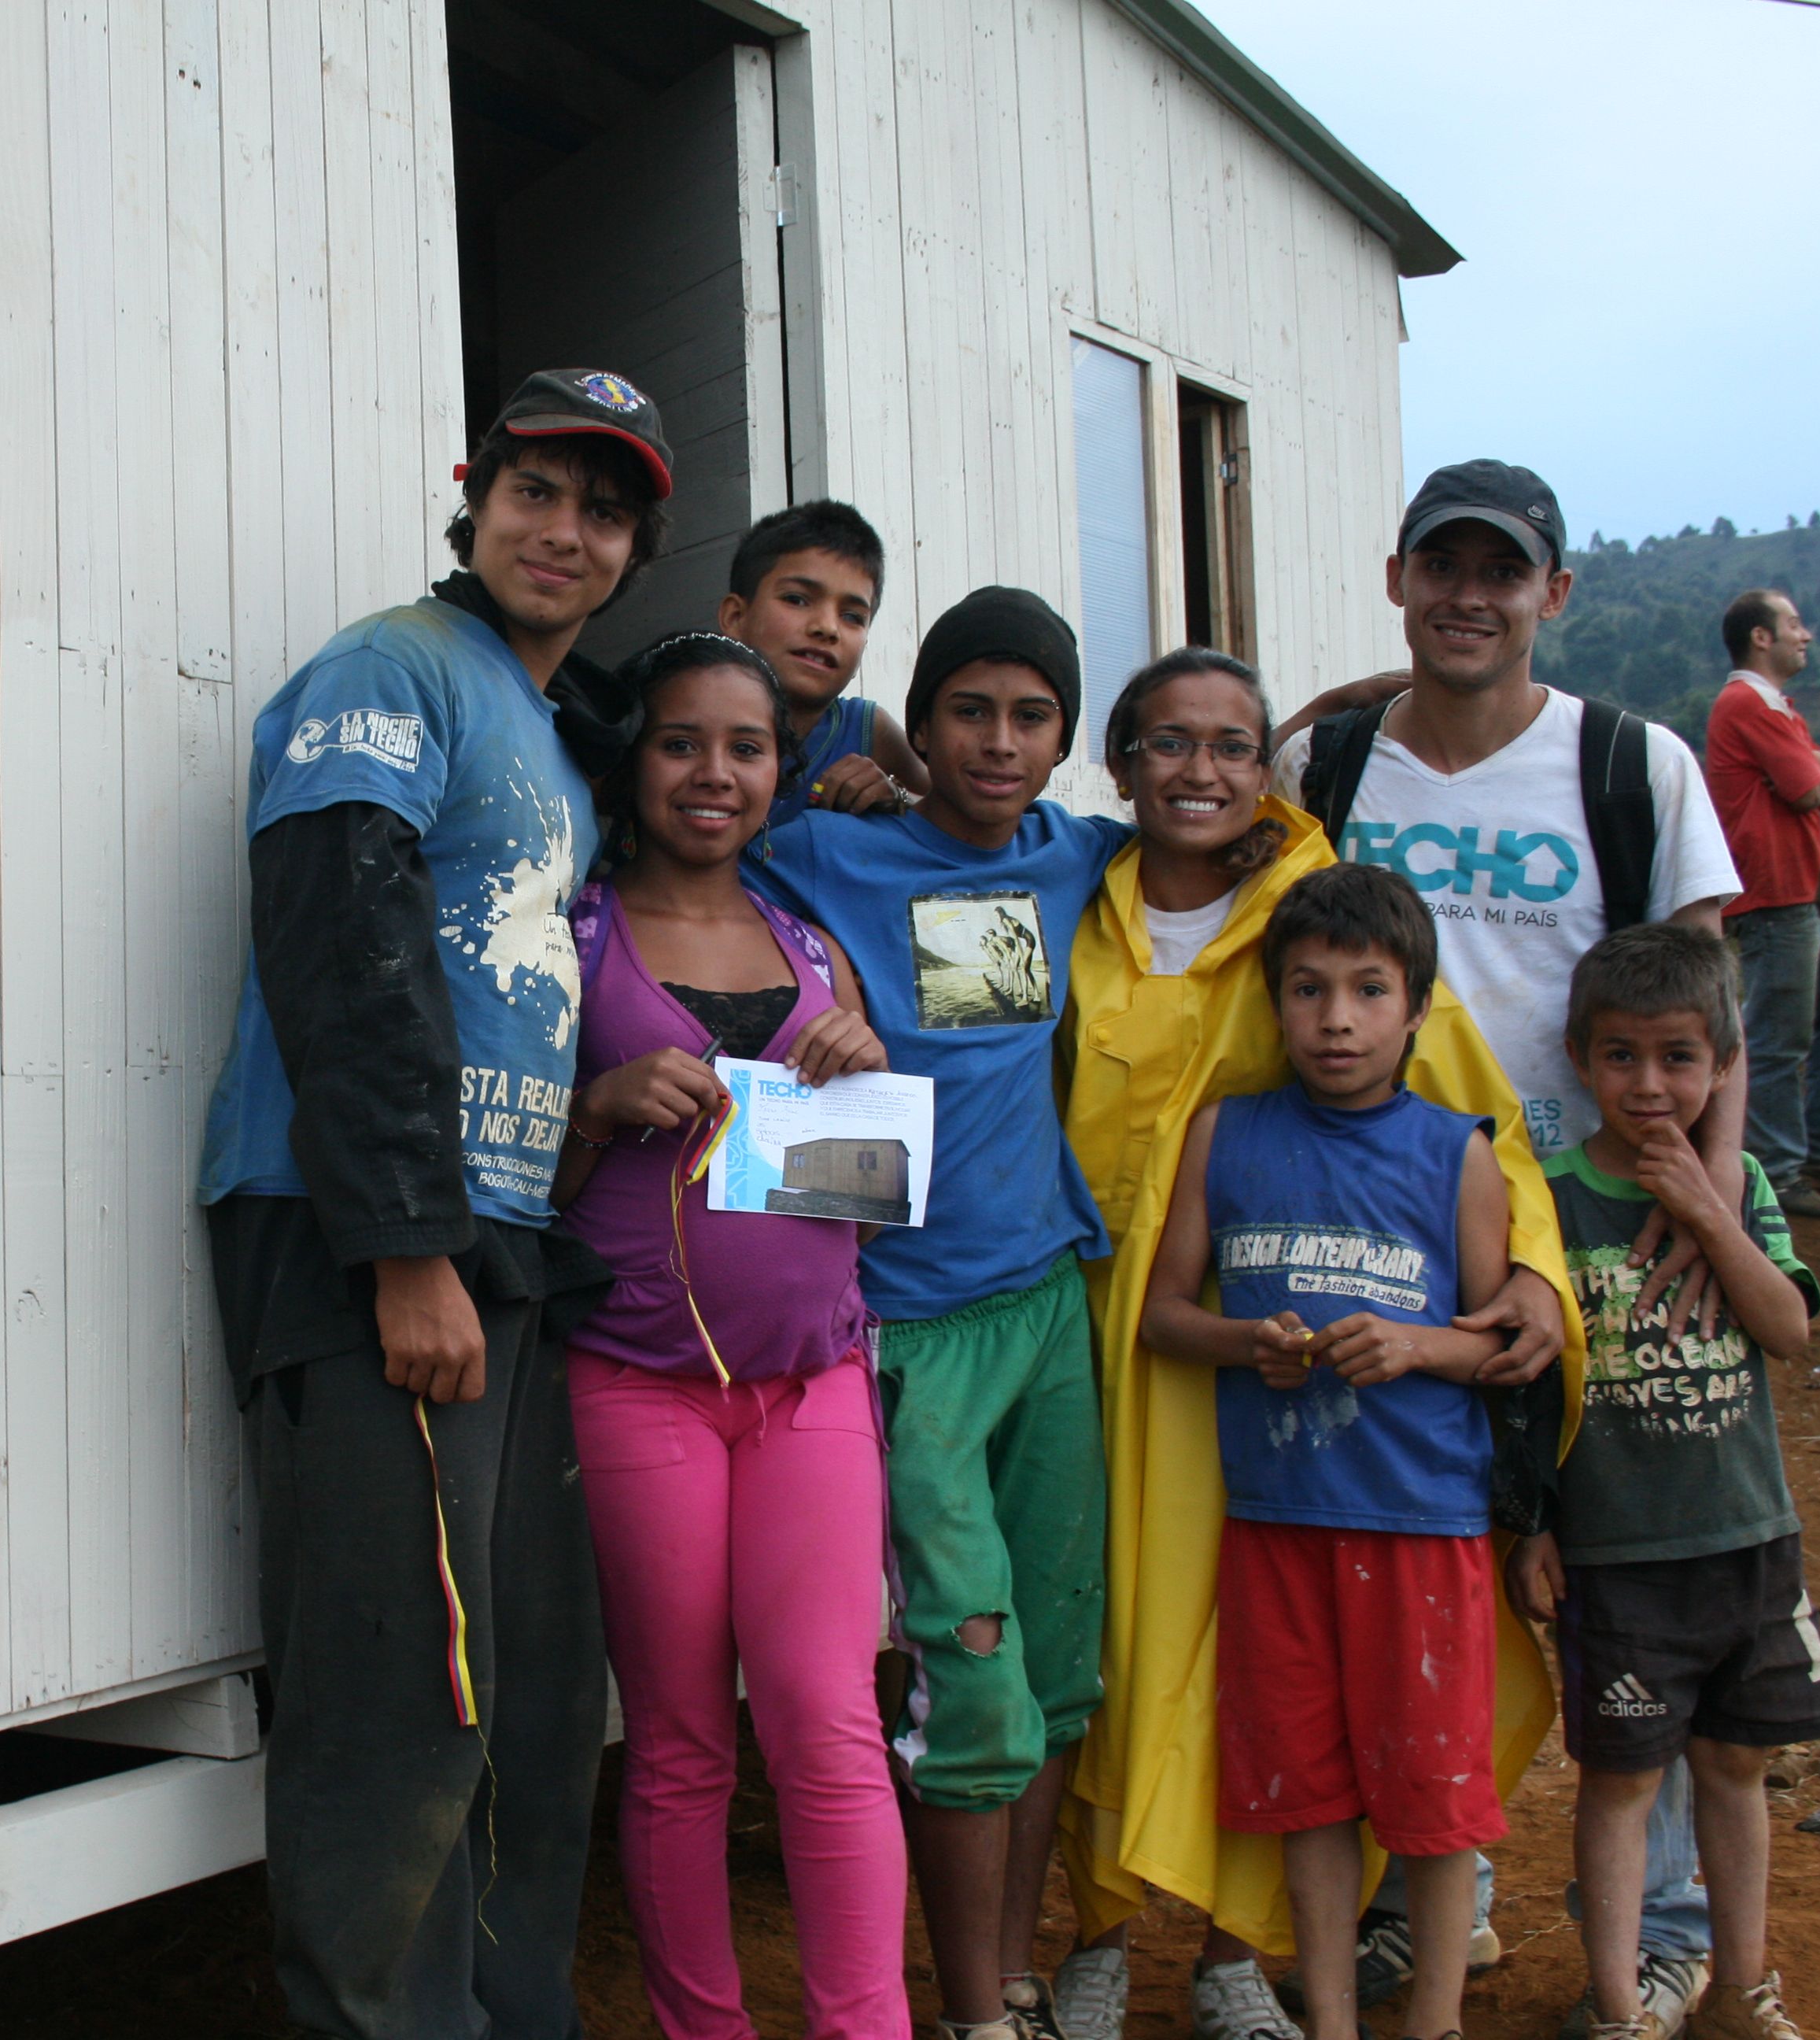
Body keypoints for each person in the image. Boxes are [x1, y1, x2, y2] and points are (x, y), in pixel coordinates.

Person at [195, 367, 667, 2038]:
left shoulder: (546, 725)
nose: (566, 531)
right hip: (367, 1243)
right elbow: (340, 930)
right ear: (474, 499)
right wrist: (403, 1249)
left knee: (531, 1696)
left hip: (505, 1246)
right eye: (537, 491)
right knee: (404, 1701)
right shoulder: (390, 668)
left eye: (603, 510)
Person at [1275, 460, 1747, 2021]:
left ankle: (1665, 1917)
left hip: (1604, 1229)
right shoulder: (1325, 765)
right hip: (1381, 1228)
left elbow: (1710, 1013)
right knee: (1423, 1561)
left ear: (1557, 593)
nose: (1471, 595)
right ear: (1398, 576)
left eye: (1507, 571)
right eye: (1443, 567)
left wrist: (1708, 1207)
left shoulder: (1633, 765)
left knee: (1636, 1566)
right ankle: (1439, 1895)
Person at [1049, 651, 1579, 2040]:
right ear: (1119, 760)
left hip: (1285, 1394)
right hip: (1100, 1335)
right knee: (1113, 1631)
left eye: (1233, 743)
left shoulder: (1314, 909)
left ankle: (1235, 1951)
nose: (1202, 771)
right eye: (1168, 740)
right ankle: (1099, 1924)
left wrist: (1524, 1267)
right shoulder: (1069, 893)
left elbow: (1466, 1112)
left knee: (1255, 1668)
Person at [746, 586, 1130, 2040]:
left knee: (1055, 1665)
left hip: (1042, 1314)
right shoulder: (821, 851)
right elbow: (696, 867)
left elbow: (1253, 811)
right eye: (966, 710)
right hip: (897, 1334)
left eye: (1030, 715)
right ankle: (972, 2011)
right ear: (925, 717)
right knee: (967, 1688)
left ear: (1062, 736)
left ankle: (1017, 1972)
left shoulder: (1075, 852)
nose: (996, 741)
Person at [553, 631, 906, 2040]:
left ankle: (862, 2025)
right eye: (680, 741)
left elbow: (863, 1195)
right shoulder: (573, 937)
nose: (712, 772)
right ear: (633, 760)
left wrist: (864, 1074)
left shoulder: (811, 943)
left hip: (811, 1379)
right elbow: (514, 1187)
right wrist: (590, 1109)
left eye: (745, 747)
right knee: (683, 1744)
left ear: (781, 769)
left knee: (826, 1723)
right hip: (638, 1383)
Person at [1141, 863, 1521, 2040]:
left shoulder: (1456, 1151)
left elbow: (1496, 1340)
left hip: (1423, 1521)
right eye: (1309, 990)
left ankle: (1437, 2022)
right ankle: (1337, 2021)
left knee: (1435, 1796)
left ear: (1417, 1012)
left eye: (1368, 991)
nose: (1338, 1019)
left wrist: (1413, 1346)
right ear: (1275, 1001)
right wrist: (1249, 1341)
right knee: (1305, 1790)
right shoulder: (1225, 1133)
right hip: (1278, 1517)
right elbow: (1162, 1315)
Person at [1497, 924, 1820, 2040]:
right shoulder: (1544, 1198)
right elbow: (1524, 1390)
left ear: (1722, 1064)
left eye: (1680, 1058)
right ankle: (1614, 2003)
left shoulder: (1740, 1186)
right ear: (1581, 1057)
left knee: (1737, 1765)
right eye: (1623, 1056)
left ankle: (1740, 1987)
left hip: (1747, 1536)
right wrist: (1531, 1528)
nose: (1650, 1085)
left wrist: (1706, 1210)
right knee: (1623, 1781)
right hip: (1616, 1551)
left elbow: (1786, 1327)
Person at [1703, 587, 1820, 1219]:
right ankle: (1775, 1168)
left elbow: (1815, 784)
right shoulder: (1747, 703)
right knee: (1781, 1033)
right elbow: (1809, 789)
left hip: (1809, 890)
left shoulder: (1778, 707)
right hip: (1776, 893)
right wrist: (1816, 767)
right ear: (1761, 638)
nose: (1806, 635)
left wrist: (1816, 769)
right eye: (1795, 624)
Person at [713, 499, 929, 822]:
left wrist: (898, 796)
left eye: (852, 616)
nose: (827, 628)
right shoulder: (684, 709)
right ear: (736, 616)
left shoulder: (866, 731)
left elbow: (948, 813)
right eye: (797, 599)